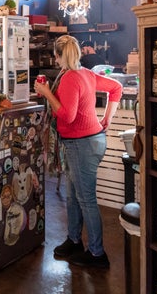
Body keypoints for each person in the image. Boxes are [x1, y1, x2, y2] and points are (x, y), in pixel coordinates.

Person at [34, 35, 122, 269]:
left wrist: (46, 93)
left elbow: (67, 116)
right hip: (87, 141)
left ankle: (97, 254)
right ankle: (74, 240)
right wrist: (107, 119)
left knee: (86, 200)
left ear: (58, 56)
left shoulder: (71, 78)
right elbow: (117, 88)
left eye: (55, 54)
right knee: (74, 197)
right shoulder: (86, 73)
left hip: (82, 144)